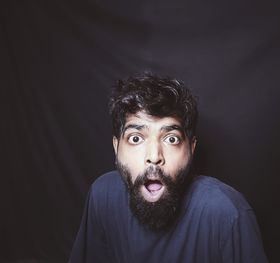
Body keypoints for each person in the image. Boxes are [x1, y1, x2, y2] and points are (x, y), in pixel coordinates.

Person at [69, 72, 268, 263]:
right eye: (136, 138)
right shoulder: (102, 195)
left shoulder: (228, 213)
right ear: (116, 146)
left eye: (171, 139)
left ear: (191, 147)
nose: (154, 157)